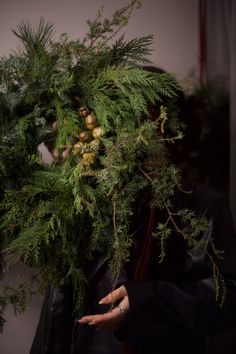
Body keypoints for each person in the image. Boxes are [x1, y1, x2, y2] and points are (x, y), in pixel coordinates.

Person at [30, 69, 236, 354]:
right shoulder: (83, 190)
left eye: (136, 117)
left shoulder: (201, 206)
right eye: (113, 115)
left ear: (162, 127)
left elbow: (226, 294)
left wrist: (143, 303)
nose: (119, 130)